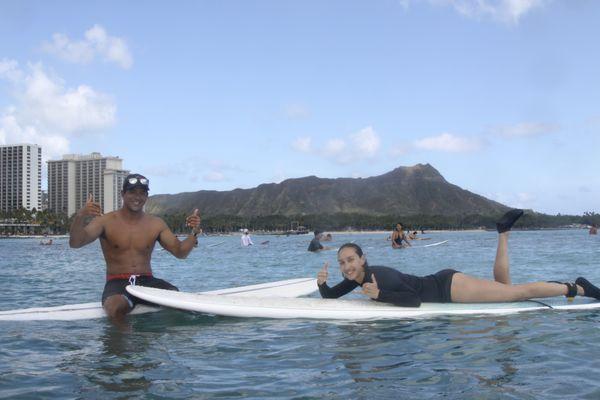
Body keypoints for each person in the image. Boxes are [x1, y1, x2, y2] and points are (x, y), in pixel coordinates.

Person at [317, 209, 600, 306]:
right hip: (445, 283)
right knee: (507, 289)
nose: (346, 266)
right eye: (342, 262)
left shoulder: (380, 278)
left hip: (449, 288)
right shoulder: (359, 280)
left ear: (363, 259)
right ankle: (503, 234)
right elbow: (331, 297)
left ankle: (578, 288)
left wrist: (379, 295)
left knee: (519, 293)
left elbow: (413, 301)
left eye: (350, 260)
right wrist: (322, 285)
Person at [69, 173, 202, 323]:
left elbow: (180, 252)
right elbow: (75, 243)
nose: (137, 197)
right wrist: (80, 216)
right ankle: (123, 344)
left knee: (179, 300)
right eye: (132, 192)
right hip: (118, 283)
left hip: (147, 282)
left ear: (146, 196)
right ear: (122, 194)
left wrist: (194, 231)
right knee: (115, 309)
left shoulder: (156, 224)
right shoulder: (105, 221)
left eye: (142, 193)